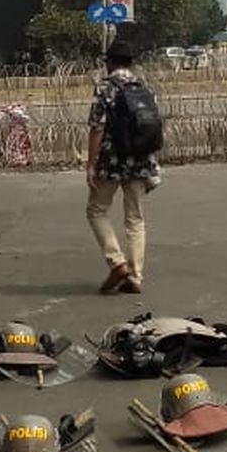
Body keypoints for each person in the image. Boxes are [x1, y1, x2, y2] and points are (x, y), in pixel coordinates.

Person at [86, 41, 163, 294]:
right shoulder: (142, 88)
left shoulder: (106, 88)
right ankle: (136, 276)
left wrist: (91, 164)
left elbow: (97, 127)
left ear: (109, 62)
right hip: (140, 158)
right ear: (131, 62)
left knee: (96, 210)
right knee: (135, 219)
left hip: (112, 159)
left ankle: (116, 261)